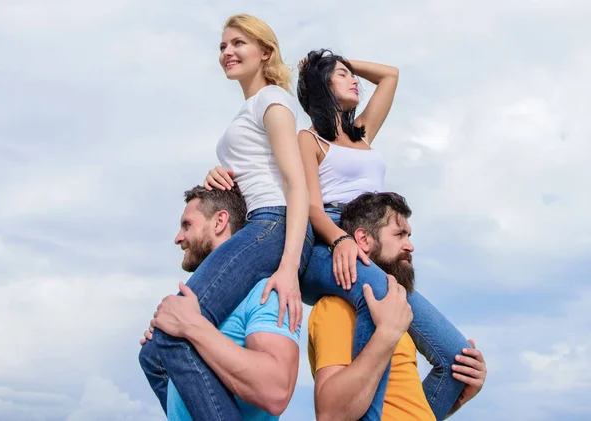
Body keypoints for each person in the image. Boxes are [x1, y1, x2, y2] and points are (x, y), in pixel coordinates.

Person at [138, 15, 313, 421]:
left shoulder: (273, 100)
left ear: (265, 52)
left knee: (172, 331)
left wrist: (288, 268)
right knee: (154, 354)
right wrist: (219, 178)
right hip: (259, 223)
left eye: (239, 43)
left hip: (273, 225)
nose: (227, 53)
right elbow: (256, 172)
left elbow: (296, 184)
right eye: (222, 46)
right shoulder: (249, 109)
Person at [308, 192, 487, 421]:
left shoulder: (397, 315)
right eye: (400, 234)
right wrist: (385, 335)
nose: (410, 246)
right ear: (363, 240)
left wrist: (459, 395)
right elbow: (331, 414)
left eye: (409, 236)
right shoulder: (336, 308)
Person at [141, 185, 301, 420]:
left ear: (219, 222)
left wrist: (193, 327)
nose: (178, 238)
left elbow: (276, 392)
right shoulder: (198, 301)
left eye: (187, 225)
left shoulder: (266, 292)